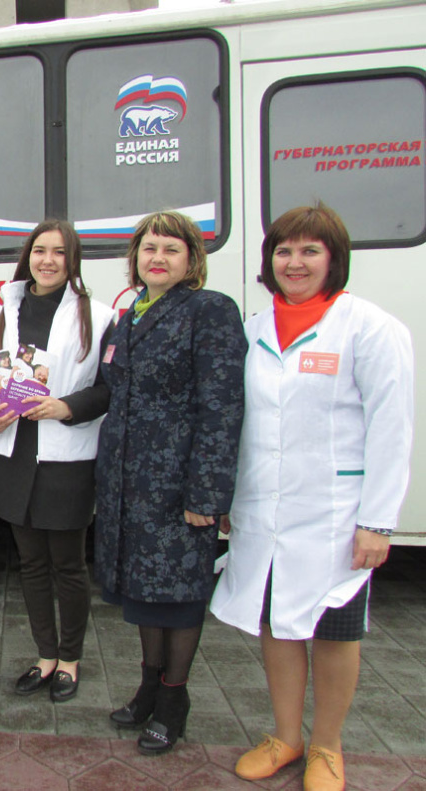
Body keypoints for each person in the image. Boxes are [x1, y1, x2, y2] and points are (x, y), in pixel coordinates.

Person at [210, 204, 413, 791]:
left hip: (335, 517)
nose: (294, 262)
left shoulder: (371, 328)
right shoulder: (253, 328)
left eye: (309, 251)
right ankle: (284, 736)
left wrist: (377, 521)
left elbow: (393, 430)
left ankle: (326, 746)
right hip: (267, 510)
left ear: (333, 259)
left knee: (333, 630)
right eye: (284, 251)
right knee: (277, 623)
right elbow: (240, 420)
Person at [95, 211, 246, 754]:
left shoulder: (210, 310)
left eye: (170, 249)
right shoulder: (129, 316)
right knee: (144, 594)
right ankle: (147, 687)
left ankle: (174, 699)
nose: (157, 257)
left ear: (192, 260)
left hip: (179, 486)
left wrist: (208, 494)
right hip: (128, 486)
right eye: (148, 248)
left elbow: (222, 407)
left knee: (179, 597)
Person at [0, 220, 114, 702]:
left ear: (72, 259)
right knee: (31, 564)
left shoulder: (98, 316)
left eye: (60, 252)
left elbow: (109, 387)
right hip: (18, 455)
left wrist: (66, 407)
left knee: (68, 566)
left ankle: (71, 660)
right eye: (40, 250)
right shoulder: (4, 312)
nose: (48, 260)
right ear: (28, 256)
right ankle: (45, 656)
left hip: (68, 459)